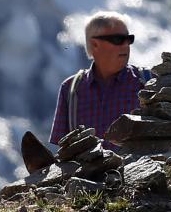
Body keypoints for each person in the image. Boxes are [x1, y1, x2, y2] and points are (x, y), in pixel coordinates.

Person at [47, 13, 148, 147]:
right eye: (118, 39)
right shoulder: (70, 90)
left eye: (129, 39)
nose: (126, 45)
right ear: (94, 44)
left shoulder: (148, 82)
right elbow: (62, 148)